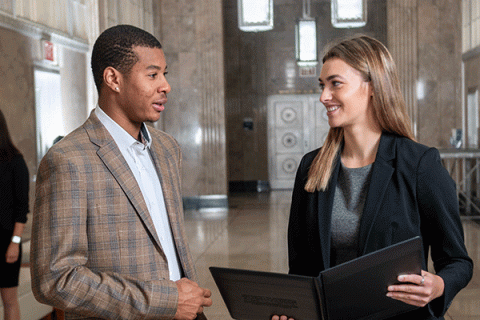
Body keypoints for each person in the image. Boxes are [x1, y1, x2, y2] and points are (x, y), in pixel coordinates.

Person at [274, 35, 473, 320]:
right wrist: (293, 310)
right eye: (322, 85)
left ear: (372, 87)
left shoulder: (419, 164)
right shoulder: (311, 167)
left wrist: (438, 285)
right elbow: (301, 268)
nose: (323, 96)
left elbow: (457, 261)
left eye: (335, 83)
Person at [30, 25, 212, 320]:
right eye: (153, 75)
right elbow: (56, 279)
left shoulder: (167, 149)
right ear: (113, 78)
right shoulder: (68, 160)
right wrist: (165, 301)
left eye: (165, 74)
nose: (166, 86)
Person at [0, 109, 29, 320]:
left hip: (6, 241)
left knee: (9, 300)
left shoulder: (16, 162)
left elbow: (22, 208)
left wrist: (15, 242)